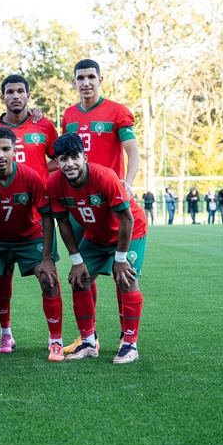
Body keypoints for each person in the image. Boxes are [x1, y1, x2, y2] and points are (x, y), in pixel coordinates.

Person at [0, 127, 62, 363]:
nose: (0, 155)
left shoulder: (30, 176)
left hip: (28, 237)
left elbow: (47, 216)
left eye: (6, 149)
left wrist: (47, 259)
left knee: (49, 279)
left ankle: (55, 341)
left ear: (15, 151)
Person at [0, 74, 58, 353]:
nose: (16, 96)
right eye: (10, 91)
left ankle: (62, 338)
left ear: (28, 95)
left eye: (21, 91)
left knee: (52, 276)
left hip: (33, 215)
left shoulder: (43, 124)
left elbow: (59, 157)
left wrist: (42, 177)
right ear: (3, 97)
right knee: (2, 275)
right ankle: (4, 334)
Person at [47, 133, 147, 364]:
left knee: (126, 279)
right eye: (63, 159)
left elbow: (127, 219)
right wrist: (76, 260)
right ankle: (89, 343)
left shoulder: (104, 176)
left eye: (74, 157)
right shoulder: (54, 184)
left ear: (84, 156)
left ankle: (130, 345)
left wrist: (120, 259)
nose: (69, 163)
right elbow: (63, 223)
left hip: (131, 231)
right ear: (57, 162)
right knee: (79, 280)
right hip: (96, 235)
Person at [61, 58, 139, 354]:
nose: (86, 82)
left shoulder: (117, 111)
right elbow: (62, 154)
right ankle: (88, 337)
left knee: (124, 273)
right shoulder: (68, 115)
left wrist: (128, 182)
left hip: (112, 201)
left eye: (91, 76)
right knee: (84, 272)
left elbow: (132, 151)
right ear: (74, 82)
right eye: (80, 77)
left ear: (100, 79)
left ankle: (126, 336)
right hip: (81, 205)